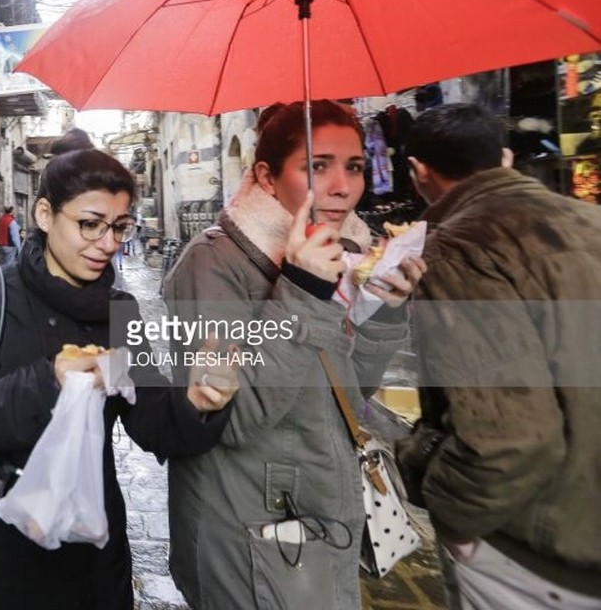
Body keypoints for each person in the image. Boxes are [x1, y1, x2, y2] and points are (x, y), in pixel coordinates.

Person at [0, 129, 235, 609]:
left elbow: (154, 424)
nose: (107, 243)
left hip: (90, 556)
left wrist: (198, 404)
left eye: (119, 226)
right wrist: (50, 380)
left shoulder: (119, 312)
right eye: (90, 224)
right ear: (45, 214)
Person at [162, 101, 426, 610]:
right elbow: (229, 416)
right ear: (265, 175)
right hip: (252, 530)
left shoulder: (340, 255)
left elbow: (348, 396)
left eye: (353, 166)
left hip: (319, 513)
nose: (344, 185)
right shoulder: (213, 264)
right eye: (317, 165)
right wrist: (301, 290)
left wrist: (385, 311)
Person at [395, 103, 601, 609]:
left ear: (418, 172)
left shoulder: (460, 249)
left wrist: (448, 510)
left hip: (535, 553)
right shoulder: (590, 220)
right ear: (505, 158)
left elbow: (508, 439)